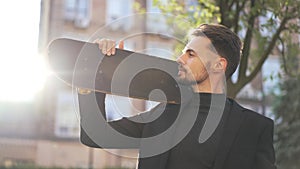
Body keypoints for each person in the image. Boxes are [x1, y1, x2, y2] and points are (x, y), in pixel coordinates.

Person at [78, 24, 276, 169]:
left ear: (218, 65)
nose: (180, 59)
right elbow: (94, 135)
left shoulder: (254, 128)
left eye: (191, 54)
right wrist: (101, 73)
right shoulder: (162, 115)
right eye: (183, 53)